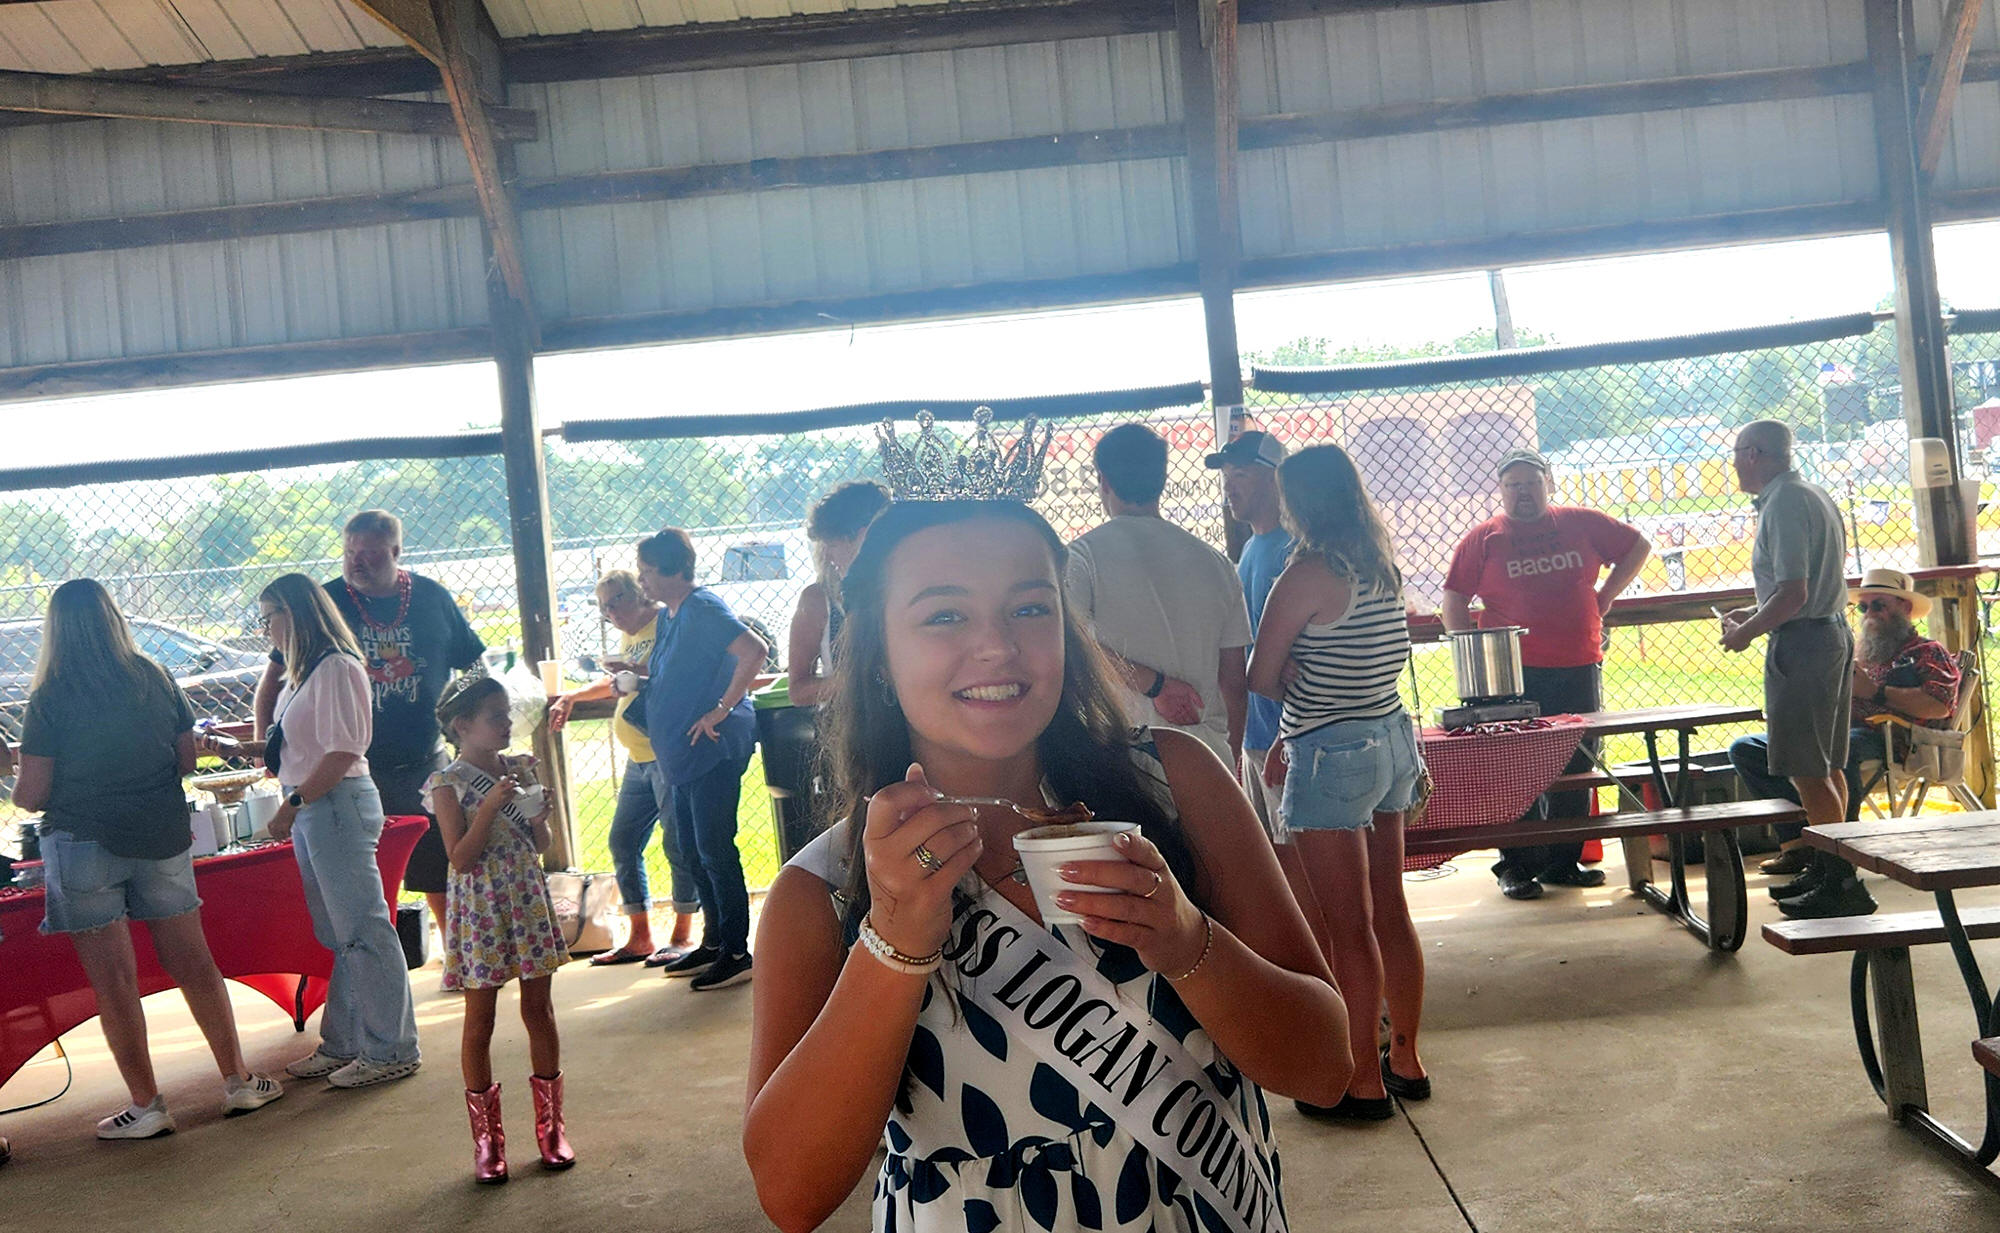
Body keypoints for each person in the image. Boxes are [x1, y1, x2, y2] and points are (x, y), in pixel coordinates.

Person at [744, 425, 1350, 1233]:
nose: (997, 646)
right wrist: (892, 943)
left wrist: (1185, 940)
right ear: (879, 655)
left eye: (1031, 607)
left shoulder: (1177, 783)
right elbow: (791, 1194)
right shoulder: (822, 890)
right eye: (944, 615)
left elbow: (1326, 1066)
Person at [9, 579, 283, 1140]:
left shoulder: (51, 695)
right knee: (194, 961)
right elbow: (186, 759)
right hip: (160, 835)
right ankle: (237, 1080)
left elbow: (32, 795)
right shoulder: (154, 676)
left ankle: (147, 1106)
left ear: (54, 630)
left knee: (114, 981)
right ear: (115, 618)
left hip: (82, 842)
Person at [1247, 444, 1430, 1121]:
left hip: (1330, 753)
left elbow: (1259, 676)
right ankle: (1405, 1058)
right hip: (1389, 738)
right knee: (1391, 909)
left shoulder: (1305, 574)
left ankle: (1360, 1081)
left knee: (1346, 926)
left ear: (1298, 502)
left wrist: (1293, 678)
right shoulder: (1380, 565)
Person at [220, 573, 421, 1088]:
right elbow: (301, 743)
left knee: (364, 930)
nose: (266, 629)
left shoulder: (336, 666)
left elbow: (343, 751)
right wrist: (245, 749)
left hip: (334, 802)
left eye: (269, 618)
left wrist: (292, 804)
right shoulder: (303, 672)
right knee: (339, 934)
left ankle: (393, 1048)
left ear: (294, 614)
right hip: (315, 804)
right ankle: (346, 1041)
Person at [257, 509, 485, 935]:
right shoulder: (326, 602)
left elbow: (474, 668)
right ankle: (388, 949)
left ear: (396, 551)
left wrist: (467, 728)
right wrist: (266, 746)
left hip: (424, 758)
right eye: (350, 553)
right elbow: (273, 678)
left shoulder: (431, 597)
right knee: (367, 876)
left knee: (441, 863)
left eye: (370, 554)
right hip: (350, 772)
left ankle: (456, 950)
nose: (357, 562)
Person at [1442, 448, 1652, 900]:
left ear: (1549, 484)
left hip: (1578, 660)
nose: (1523, 493)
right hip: (1513, 672)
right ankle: (1516, 866)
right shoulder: (1485, 538)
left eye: (1531, 483)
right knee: (1515, 767)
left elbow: (1638, 546)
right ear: (1501, 491)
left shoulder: (1581, 522)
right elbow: (1454, 597)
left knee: (1576, 763)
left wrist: (1606, 597)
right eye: (1513, 485)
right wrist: (1471, 653)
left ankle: (1563, 861)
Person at [1728, 566, 1946, 918]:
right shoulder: (1856, 648)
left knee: (1839, 752)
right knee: (1747, 749)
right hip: (1834, 725)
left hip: (1888, 736)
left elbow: (1939, 705)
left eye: (1880, 605)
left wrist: (1876, 692)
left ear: (1905, 608)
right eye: (1864, 607)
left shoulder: (1926, 652)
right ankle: (1800, 844)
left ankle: (1841, 855)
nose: (1870, 613)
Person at [428, 674, 574, 1184]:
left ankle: (551, 1127)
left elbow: (540, 844)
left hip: (526, 897)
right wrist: (491, 806)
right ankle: (487, 1140)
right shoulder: (447, 784)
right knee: (480, 1020)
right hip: (482, 906)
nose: (507, 724)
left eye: (508, 714)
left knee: (540, 1009)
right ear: (462, 725)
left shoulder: (520, 768)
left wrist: (539, 817)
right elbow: (461, 858)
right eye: (496, 717)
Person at [1720, 419, 1854, 914]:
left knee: (1807, 771)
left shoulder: (1783, 503)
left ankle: (1841, 883)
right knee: (1827, 766)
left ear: (1754, 454)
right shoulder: (1811, 492)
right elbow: (1798, 590)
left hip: (1803, 643)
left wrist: (1746, 632)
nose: (1734, 464)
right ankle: (1831, 865)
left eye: (1737, 453)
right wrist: (1756, 613)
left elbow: (1794, 593)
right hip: (1829, 633)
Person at [1067, 423, 1251, 765]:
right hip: (1207, 750)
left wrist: (1155, 686)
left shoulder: (1081, 556)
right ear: (1163, 479)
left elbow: (1072, 646)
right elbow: (1234, 681)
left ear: (1103, 480)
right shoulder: (1216, 563)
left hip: (1125, 750)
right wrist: (1233, 756)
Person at [633, 528, 769, 991]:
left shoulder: (704, 607)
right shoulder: (670, 615)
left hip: (712, 748)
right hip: (682, 752)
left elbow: (754, 651)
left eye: (647, 571)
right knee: (692, 849)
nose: (642, 581)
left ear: (673, 569)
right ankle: (713, 942)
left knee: (714, 848)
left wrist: (722, 708)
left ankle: (736, 951)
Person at [548, 569, 700, 967]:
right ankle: (641, 936)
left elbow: (673, 676)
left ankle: (683, 934)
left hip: (666, 753)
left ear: (640, 594)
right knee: (623, 841)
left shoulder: (664, 623)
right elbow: (622, 681)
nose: (610, 612)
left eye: (617, 600)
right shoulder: (630, 635)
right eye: (603, 606)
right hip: (638, 757)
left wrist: (636, 678)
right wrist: (574, 695)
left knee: (677, 842)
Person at [1207, 431, 1321, 922]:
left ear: (1276, 479)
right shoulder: (1253, 548)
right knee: (1276, 864)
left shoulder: (1294, 551)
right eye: (1226, 476)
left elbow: (1307, 660)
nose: (1229, 486)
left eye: (1241, 474)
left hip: (1287, 735)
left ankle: (1325, 967)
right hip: (1258, 732)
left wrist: (1285, 736)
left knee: (1304, 873)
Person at [787, 480, 892, 708]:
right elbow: (798, 692)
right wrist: (857, 679)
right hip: (850, 720)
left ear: (864, 537)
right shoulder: (819, 599)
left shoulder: (906, 590)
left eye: (832, 545)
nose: (827, 556)